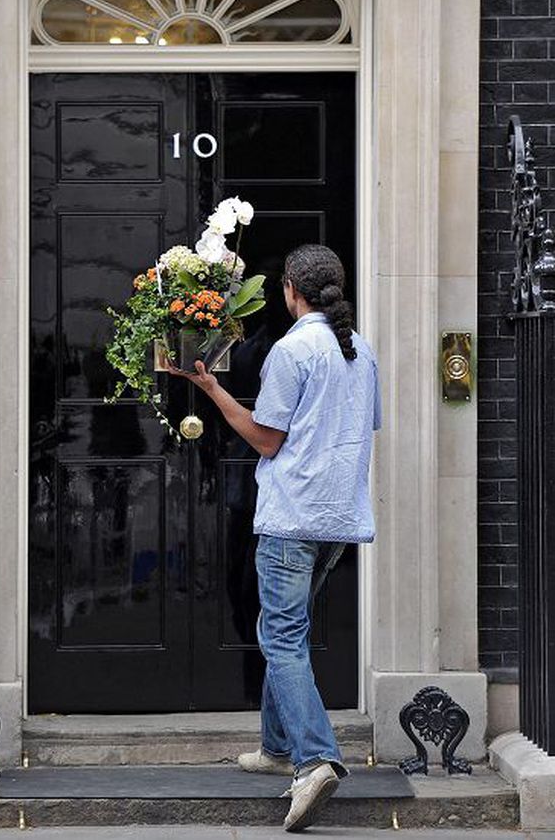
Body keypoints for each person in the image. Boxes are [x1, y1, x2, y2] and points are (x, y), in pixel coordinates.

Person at [176, 243, 380, 833]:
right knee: (285, 630)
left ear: (291, 288)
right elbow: (362, 428)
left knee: (281, 637)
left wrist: (211, 389)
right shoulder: (360, 351)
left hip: (292, 516)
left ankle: (314, 759)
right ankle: (275, 748)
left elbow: (267, 440)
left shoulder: (293, 350)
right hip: (338, 518)